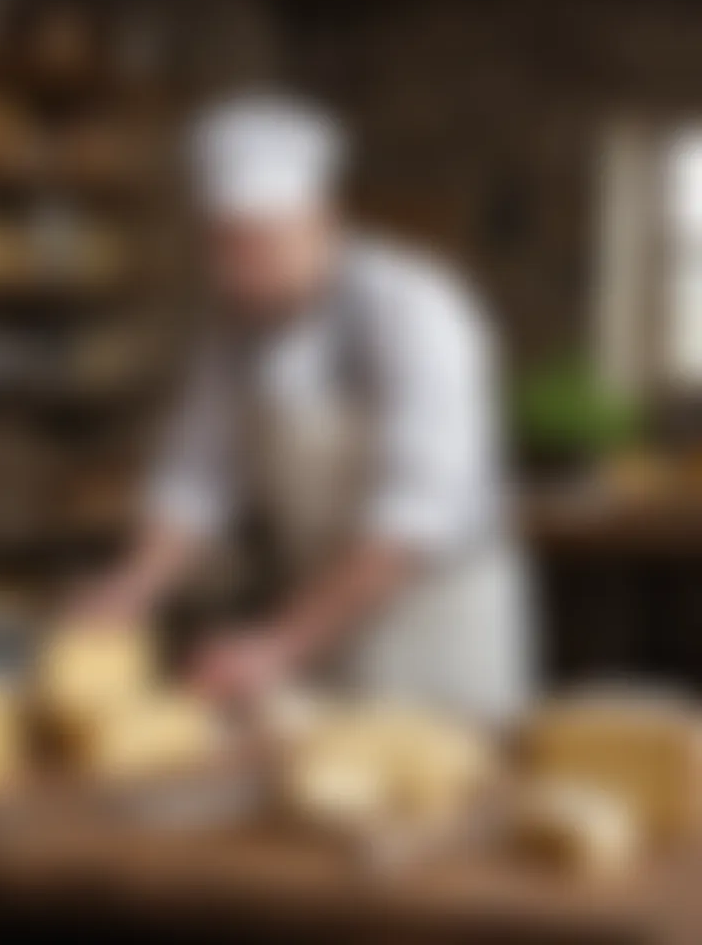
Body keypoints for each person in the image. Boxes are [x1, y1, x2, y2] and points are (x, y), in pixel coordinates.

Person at [70, 93, 533, 724]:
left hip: (435, 621)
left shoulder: (414, 312)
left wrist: (277, 645)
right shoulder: (235, 333)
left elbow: (412, 519)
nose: (238, 271)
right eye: (224, 246)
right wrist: (132, 588)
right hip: (322, 612)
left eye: (259, 243)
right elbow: (196, 478)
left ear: (323, 221)